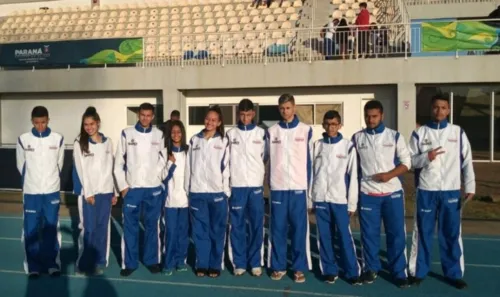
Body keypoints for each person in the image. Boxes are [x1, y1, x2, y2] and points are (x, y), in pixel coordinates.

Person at [408, 95, 475, 290]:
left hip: (451, 191)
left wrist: (469, 186)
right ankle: (418, 272)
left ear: (448, 110)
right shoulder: (420, 133)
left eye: (443, 108)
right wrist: (426, 157)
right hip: (426, 190)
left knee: (451, 234)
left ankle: (454, 274)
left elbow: (467, 161)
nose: (439, 111)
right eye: (436, 107)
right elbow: (409, 161)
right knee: (422, 233)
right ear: (431, 109)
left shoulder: (458, 133)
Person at [352, 100, 411, 288]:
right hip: (368, 194)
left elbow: (406, 163)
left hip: (392, 194)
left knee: (396, 235)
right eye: (368, 116)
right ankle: (371, 269)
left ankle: (398, 272)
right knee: (369, 235)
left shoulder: (394, 136)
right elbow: (352, 168)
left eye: (374, 116)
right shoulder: (357, 138)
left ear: (382, 116)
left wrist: (389, 175)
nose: (371, 120)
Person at [114, 102, 165, 277]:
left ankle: (152, 260)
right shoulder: (127, 133)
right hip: (132, 190)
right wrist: (123, 186)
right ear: (138, 115)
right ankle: (130, 263)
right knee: (130, 227)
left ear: (153, 117)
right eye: (142, 115)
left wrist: (156, 177)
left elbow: (163, 159)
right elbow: (118, 162)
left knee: (152, 226)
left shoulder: (159, 134)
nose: (145, 118)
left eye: (149, 115)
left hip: (152, 189)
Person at [311, 110, 362, 285]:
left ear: (339, 125)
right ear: (323, 125)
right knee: (324, 236)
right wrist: (310, 199)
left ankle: (352, 271)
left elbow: (353, 176)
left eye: (334, 124)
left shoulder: (348, 146)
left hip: (340, 200)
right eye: (327, 124)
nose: (331, 128)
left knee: (344, 236)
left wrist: (352, 204)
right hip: (320, 199)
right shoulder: (316, 145)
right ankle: (329, 270)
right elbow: (311, 174)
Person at [266, 93, 312, 283]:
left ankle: (299, 268)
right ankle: (278, 266)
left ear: (294, 108)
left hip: (299, 188)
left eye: (288, 108)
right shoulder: (271, 131)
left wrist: (309, 191)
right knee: (277, 229)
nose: (285, 111)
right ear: (279, 109)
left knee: (299, 230)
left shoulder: (306, 130)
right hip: (278, 188)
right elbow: (265, 158)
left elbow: (310, 162)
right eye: (282, 108)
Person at [16, 106, 64, 278]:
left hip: (51, 192)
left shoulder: (58, 139)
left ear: (48, 120)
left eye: (43, 122)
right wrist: (31, 184)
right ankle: (33, 266)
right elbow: (21, 166)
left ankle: (52, 264)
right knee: (31, 230)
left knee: (51, 228)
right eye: (37, 123)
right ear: (32, 122)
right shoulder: (23, 139)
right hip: (31, 193)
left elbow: (59, 165)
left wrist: (51, 183)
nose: (40, 126)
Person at [184, 105, 230, 278]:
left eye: (213, 120)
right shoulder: (194, 140)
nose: (209, 122)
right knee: (200, 232)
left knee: (217, 231)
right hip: (197, 193)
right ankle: (202, 264)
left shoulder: (223, 141)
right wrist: (188, 189)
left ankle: (215, 264)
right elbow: (189, 166)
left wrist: (225, 192)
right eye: (207, 119)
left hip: (217, 193)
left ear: (219, 123)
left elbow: (227, 168)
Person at [73, 107, 117, 275]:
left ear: (98, 123)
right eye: (86, 124)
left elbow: (110, 168)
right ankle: (84, 264)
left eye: (91, 124)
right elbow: (81, 170)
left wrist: (114, 192)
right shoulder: (79, 143)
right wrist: (88, 193)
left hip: (105, 193)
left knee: (101, 228)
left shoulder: (108, 142)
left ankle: (98, 261)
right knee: (88, 229)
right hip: (89, 194)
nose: (89, 127)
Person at [226, 99, 267, 277]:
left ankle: (255, 262)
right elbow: (226, 160)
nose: (245, 117)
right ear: (238, 114)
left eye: (248, 114)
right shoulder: (230, 134)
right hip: (237, 186)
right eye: (242, 114)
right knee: (237, 225)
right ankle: (239, 262)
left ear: (253, 114)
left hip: (255, 187)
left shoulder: (261, 133)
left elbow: (264, 157)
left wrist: (257, 175)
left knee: (257, 225)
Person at [159, 120, 190, 276]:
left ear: (183, 134)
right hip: (170, 201)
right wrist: (170, 163)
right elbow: (162, 176)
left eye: (179, 132)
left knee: (182, 233)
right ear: (169, 135)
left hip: (185, 201)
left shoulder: (188, 151)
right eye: (173, 132)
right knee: (170, 233)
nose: (176, 135)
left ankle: (180, 261)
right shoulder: (165, 152)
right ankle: (168, 262)